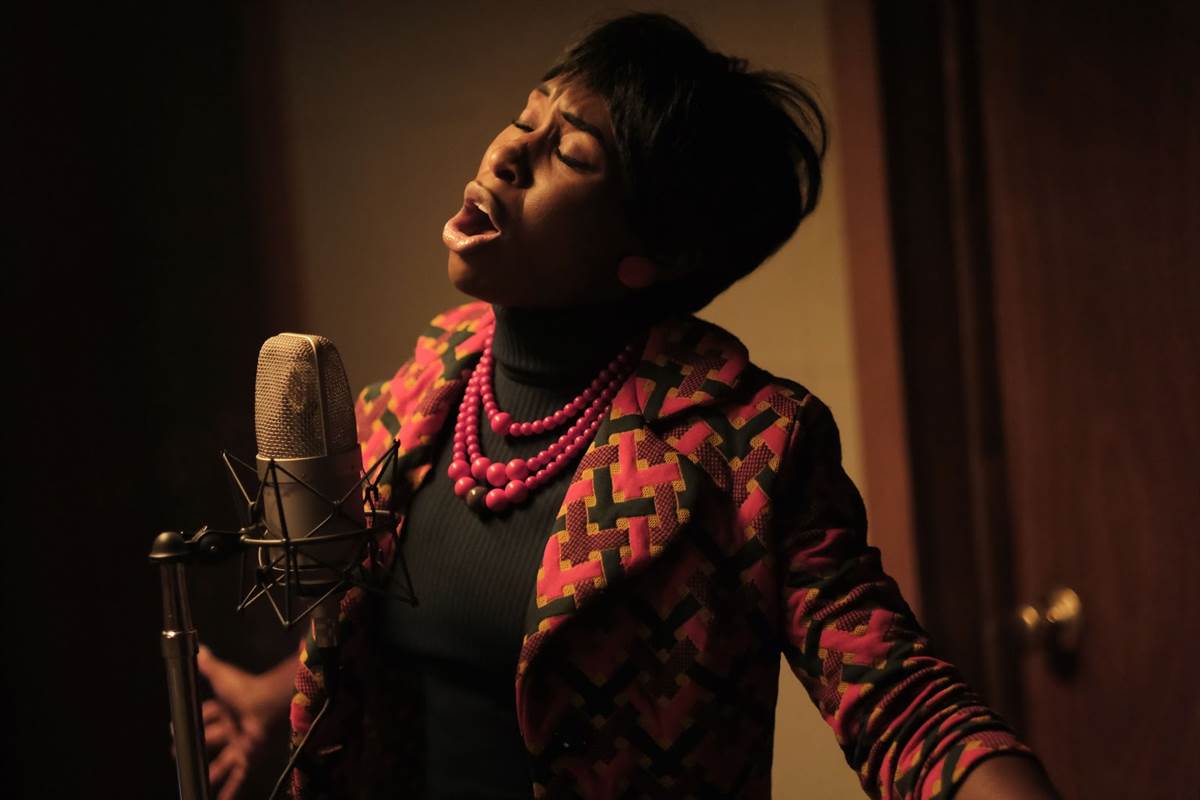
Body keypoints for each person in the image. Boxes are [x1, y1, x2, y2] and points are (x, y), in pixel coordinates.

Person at [200, 12, 1061, 800]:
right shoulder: (426, 380)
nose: (508, 153)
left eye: (571, 153)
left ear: (651, 252)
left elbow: (899, 697)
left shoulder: (750, 446)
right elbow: (430, 642)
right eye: (526, 116)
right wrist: (283, 698)